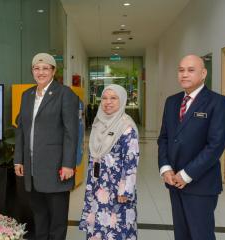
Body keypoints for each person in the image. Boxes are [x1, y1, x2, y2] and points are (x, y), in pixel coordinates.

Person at [158, 54, 225, 240]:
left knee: (201, 235)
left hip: (200, 184)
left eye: (191, 70)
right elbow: (164, 138)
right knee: (181, 235)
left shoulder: (218, 102)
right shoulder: (172, 101)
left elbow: (215, 146)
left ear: (203, 73)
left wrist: (186, 174)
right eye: (181, 70)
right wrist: (165, 168)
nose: (184, 74)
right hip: (174, 182)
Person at [14, 53, 79, 240]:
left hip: (56, 167)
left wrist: (68, 164)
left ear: (53, 71)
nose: (40, 72)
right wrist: (19, 159)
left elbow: (71, 132)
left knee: (57, 220)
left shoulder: (65, 94)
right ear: (32, 71)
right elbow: (21, 130)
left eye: (45, 68)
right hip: (32, 167)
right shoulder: (27, 95)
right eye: (36, 68)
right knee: (39, 215)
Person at [79, 84, 139, 240]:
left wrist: (125, 191)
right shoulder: (98, 123)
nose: (108, 102)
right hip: (98, 185)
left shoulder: (126, 127)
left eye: (113, 98)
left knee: (116, 228)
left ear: (122, 101)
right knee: (97, 227)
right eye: (104, 98)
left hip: (117, 188)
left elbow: (131, 161)